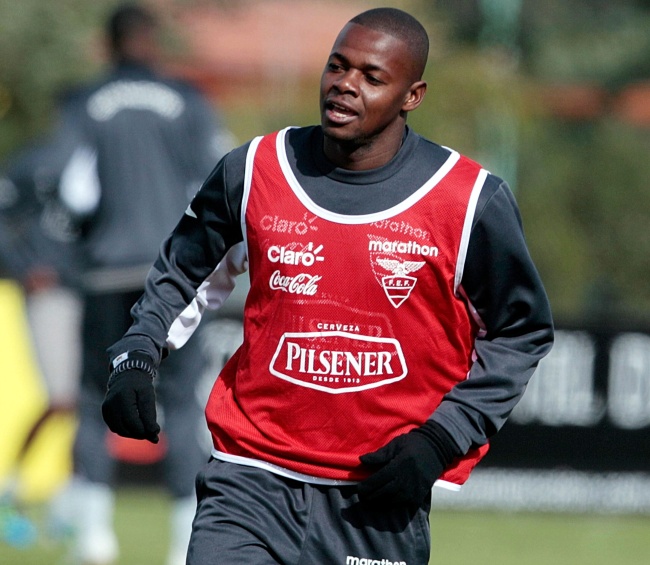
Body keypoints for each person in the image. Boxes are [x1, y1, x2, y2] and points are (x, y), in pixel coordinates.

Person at [102, 7, 554, 565]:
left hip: (376, 497)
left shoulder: (469, 200)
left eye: (372, 76)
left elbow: (521, 332)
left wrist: (441, 439)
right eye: (337, 66)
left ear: (412, 96)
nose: (345, 84)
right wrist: (139, 351)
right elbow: (182, 273)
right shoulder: (255, 169)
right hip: (249, 479)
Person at [55, 3, 235, 565]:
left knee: (94, 397)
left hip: (106, 272)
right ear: (153, 41)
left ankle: (94, 538)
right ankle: (184, 542)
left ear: (108, 44)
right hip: (174, 276)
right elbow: (217, 181)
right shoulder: (188, 100)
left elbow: (73, 191)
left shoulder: (85, 103)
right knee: (181, 404)